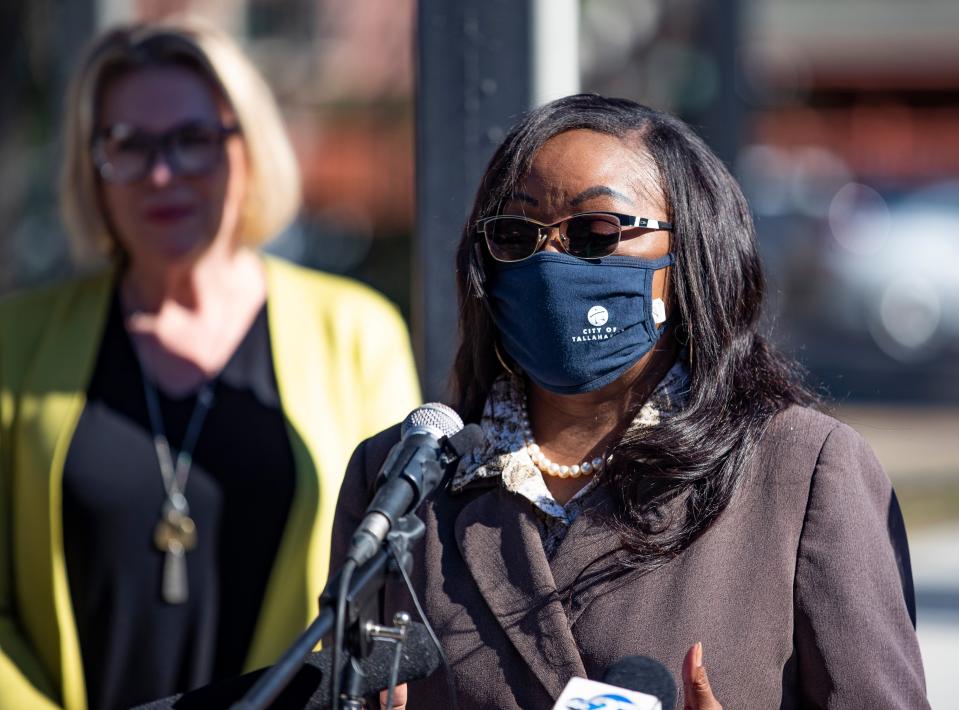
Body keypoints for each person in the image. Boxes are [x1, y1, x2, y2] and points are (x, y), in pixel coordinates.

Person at [330, 94, 928, 709]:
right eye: (516, 234)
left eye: (595, 232)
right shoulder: (400, 482)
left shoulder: (804, 472)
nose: (550, 261)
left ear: (692, 255)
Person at [0, 18, 421, 710]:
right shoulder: (15, 343)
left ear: (249, 149)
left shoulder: (356, 332)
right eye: (128, 145)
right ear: (91, 167)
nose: (162, 173)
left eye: (193, 140)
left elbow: (390, 586)